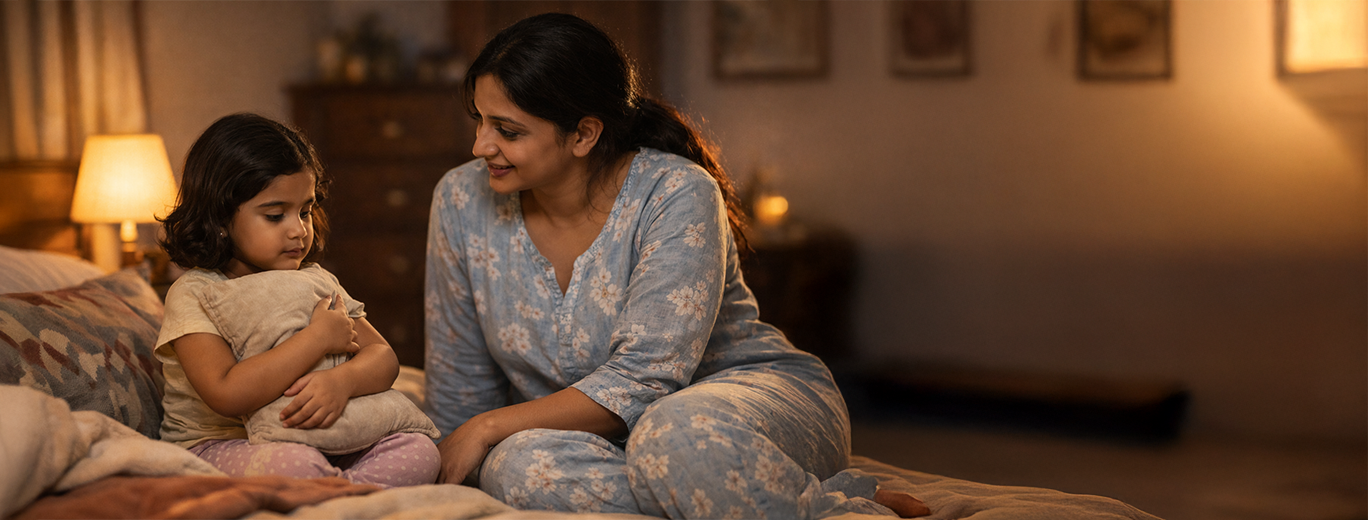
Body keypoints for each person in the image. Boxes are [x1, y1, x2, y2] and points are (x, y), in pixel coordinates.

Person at [424, 13, 929, 518]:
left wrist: (488, 426)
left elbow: (644, 381)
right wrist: (463, 451)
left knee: (671, 435)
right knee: (516, 467)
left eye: (507, 131)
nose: (480, 146)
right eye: (479, 120)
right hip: (600, 440)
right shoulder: (461, 199)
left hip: (740, 406)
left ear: (583, 134)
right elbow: (460, 385)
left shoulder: (674, 192)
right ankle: (744, 496)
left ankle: (828, 505)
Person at [153, 113, 440, 488]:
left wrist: (343, 382)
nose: (299, 230)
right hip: (220, 444)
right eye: (275, 216)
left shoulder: (313, 280)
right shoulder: (195, 292)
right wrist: (318, 338)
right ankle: (351, 496)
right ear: (219, 216)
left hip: (323, 437)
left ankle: (335, 495)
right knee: (298, 464)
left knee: (420, 451)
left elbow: (383, 357)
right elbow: (226, 393)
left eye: (305, 210)